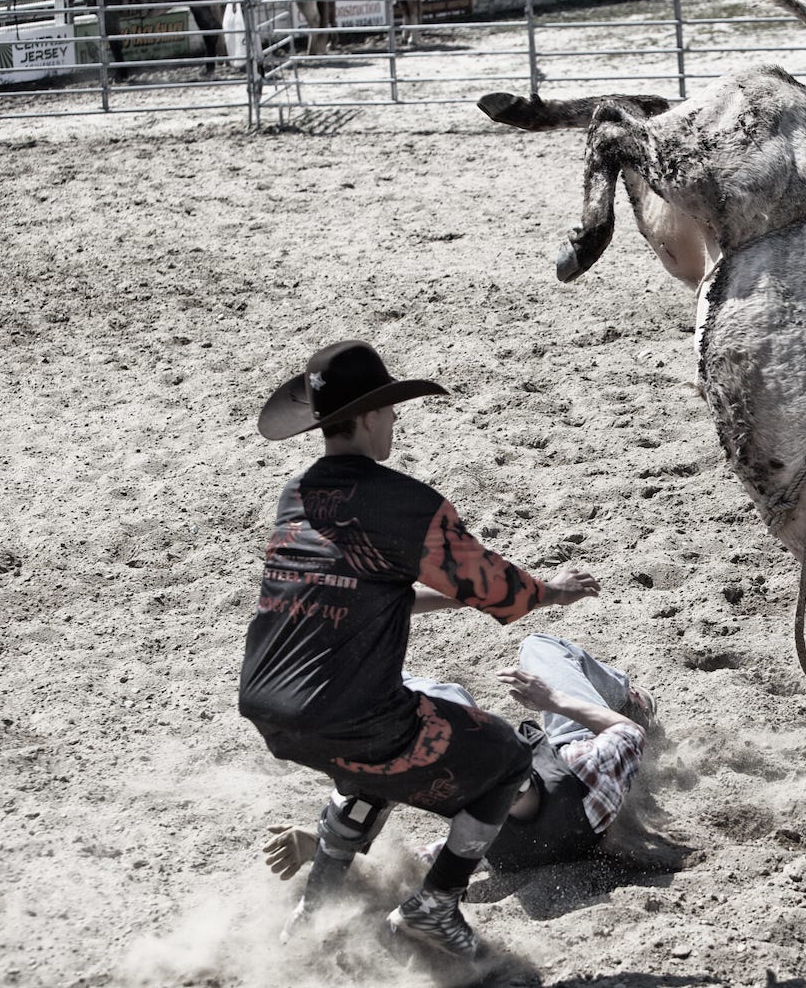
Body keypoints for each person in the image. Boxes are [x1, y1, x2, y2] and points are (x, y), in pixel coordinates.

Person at [239, 339, 602, 960]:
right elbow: (499, 591)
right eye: (391, 411)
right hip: (351, 712)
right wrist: (551, 592)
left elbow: (370, 596)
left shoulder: (296, 494)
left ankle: (315, 905)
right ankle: (436, 904)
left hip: (270, 704)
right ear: (374, 415)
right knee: (508, 758)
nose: (395, 422)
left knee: (369, 766)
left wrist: (463, 598)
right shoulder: (408, 505)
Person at [263, 632, 657, 881]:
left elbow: (413, 866)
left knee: (448, 702)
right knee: (539, 646)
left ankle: (380, 697)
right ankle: (632, 694)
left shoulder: (481, 840)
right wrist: (554, 700)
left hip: (554, 825)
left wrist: (323, 846)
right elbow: (628, 731)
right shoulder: (587, 770)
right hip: (578, 756)